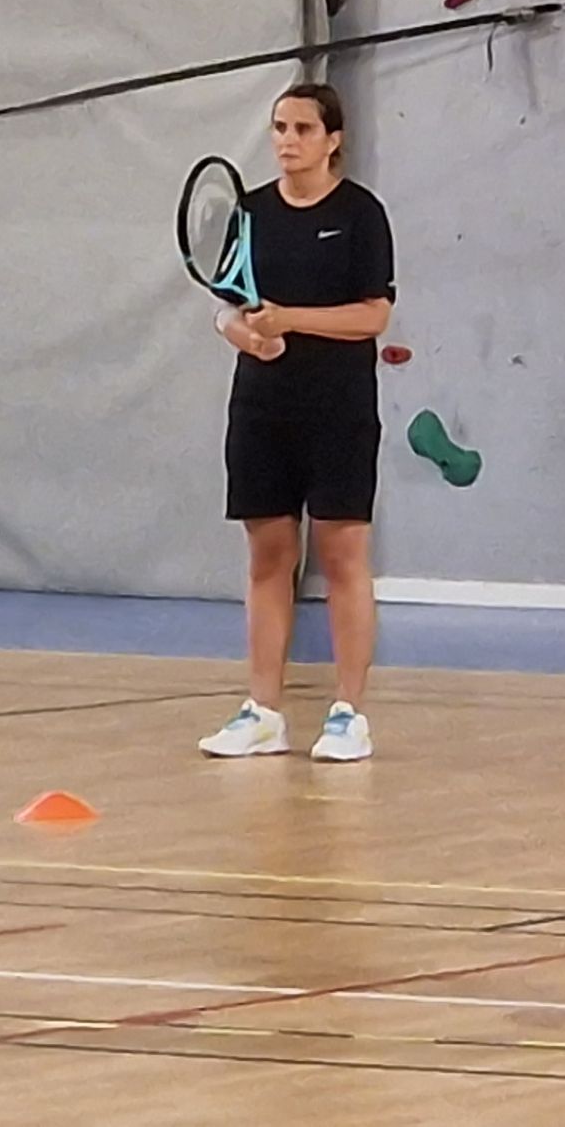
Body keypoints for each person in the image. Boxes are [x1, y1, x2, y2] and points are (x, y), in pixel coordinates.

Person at [199, 82, 396, 763]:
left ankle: (348, 713)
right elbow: (226, 307)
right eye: (280, 127)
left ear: (332, 139)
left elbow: (373, 316)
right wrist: (247, 337)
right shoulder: (250, 213)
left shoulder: (360, 214)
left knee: (343, 557)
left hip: (338, 410)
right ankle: (262, 712)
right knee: (267, 559)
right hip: (260, 408)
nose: (286, 140)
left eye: (302, 129)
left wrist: (292, 321)